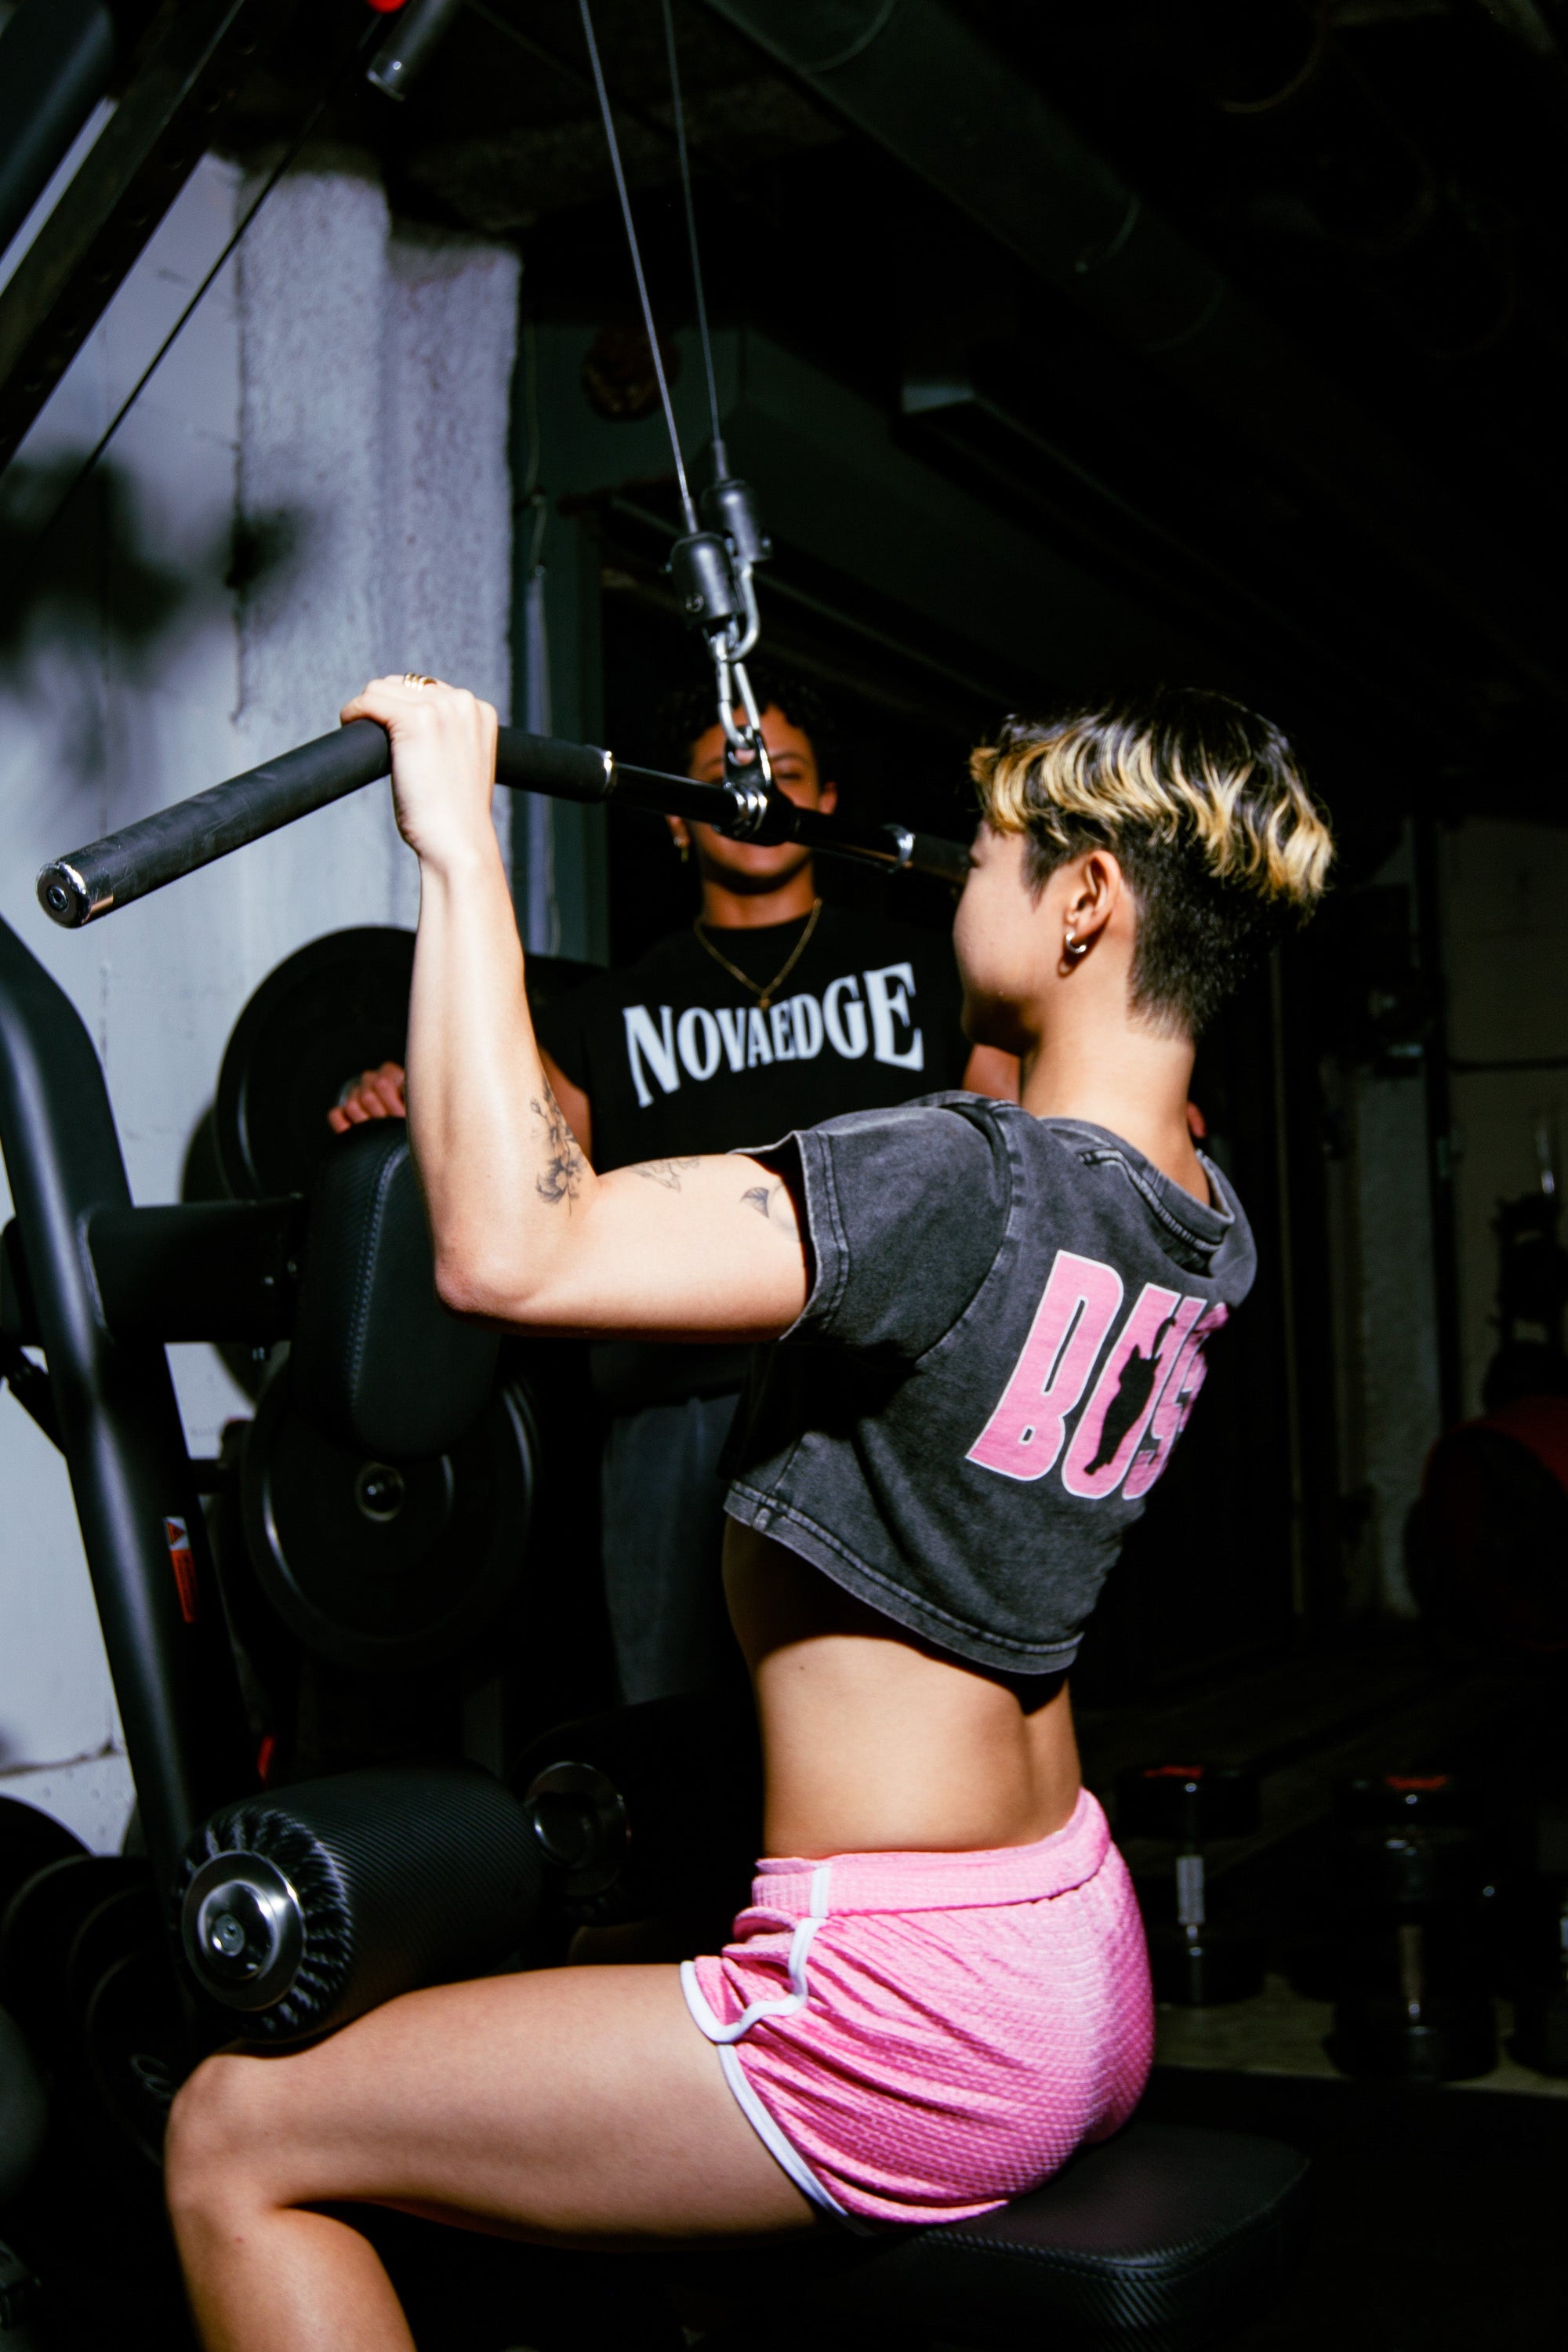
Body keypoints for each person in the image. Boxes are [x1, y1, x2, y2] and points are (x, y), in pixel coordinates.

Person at [167, 678, 1330, 2346]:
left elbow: (510, 1249)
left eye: (997, 848)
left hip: (900, 2015)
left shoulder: (959, 1177)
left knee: (231, 2135)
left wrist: (453, 842)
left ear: (1087, 902)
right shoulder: (1198, 1211)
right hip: (1072, 1943)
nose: (959, 879)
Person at [332, 663, 1018, 1706]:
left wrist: (1121, 1109)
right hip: (672, 1416)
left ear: (826, 801)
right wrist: (400, 1092)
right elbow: (503, 1151)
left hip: (880, 1398)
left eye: (784, 772)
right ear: (675, 824)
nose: (755, 794)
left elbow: (1033, 1133)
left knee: (901, 1716)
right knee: (679, 1736)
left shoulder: (930, 971)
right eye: (722, 779)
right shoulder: (608, 1010)